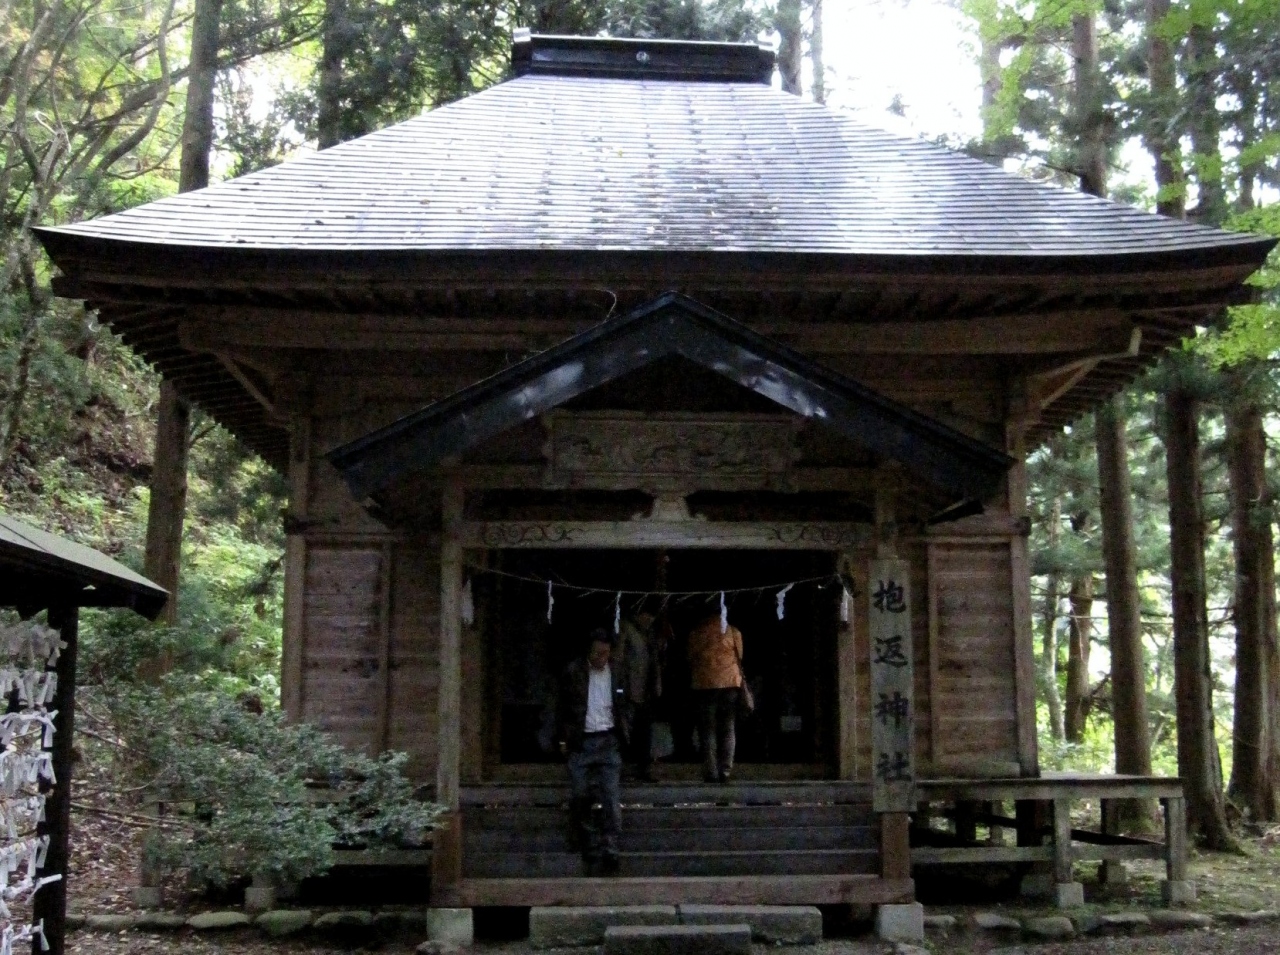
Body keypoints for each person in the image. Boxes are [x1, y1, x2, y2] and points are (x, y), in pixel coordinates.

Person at [556, 629, 632, 875]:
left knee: (610, 797)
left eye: (606, 653)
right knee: (580, 795)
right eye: (598, 653)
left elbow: (625, 702)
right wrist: (563, 738)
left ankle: (610, 849)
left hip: (608, 739)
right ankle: (589, 842)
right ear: (588, 651)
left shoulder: (617, 670)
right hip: (582, 740)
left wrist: (624, 728)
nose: (602, 658)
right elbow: (563, 706)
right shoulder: (574, 671)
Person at [686, 610, 744, 783]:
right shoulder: (733, 631)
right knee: (728, 726)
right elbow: (740, 656)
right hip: (730, 683)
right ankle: (725, 769)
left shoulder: (697, 633)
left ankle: (710, 771)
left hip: (705, 684)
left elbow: (690, 657)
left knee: (707, 728)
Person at [617, 610, 669, 781]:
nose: (650, 619)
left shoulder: (649, 634)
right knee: (627, 729)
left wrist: (657, 682)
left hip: (645, 690)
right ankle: (629, 767)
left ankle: (643, 766)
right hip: (628, 689)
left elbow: (654, 661)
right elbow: (619, 660)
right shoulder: (626, 629)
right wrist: (620, 688)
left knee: (644, 729)